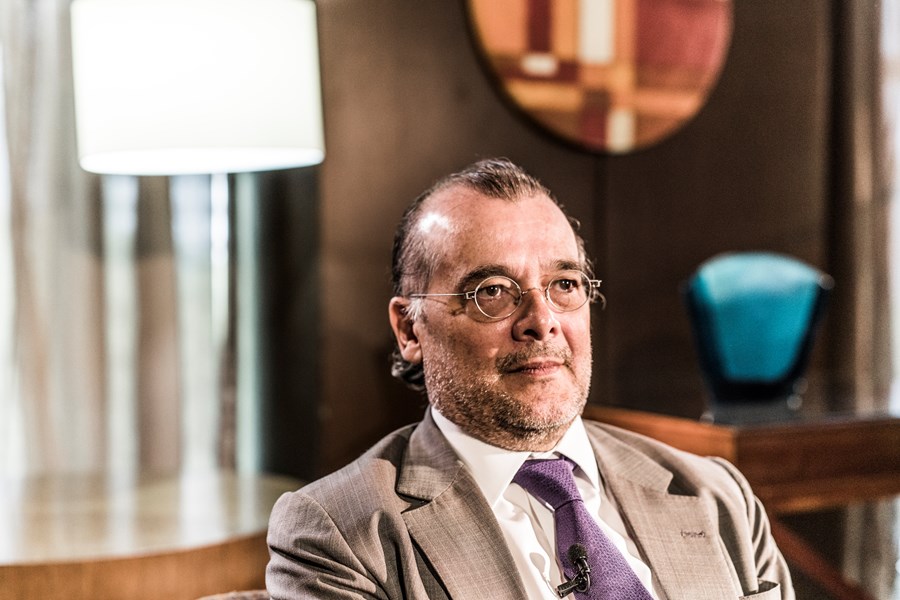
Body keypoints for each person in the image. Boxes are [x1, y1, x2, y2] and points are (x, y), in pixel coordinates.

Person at [266, 158, 794, 599]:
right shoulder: (340, 537)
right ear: (410, 328)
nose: (542, 321)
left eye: (564, 284)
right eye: (493, 291)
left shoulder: (717, 496)